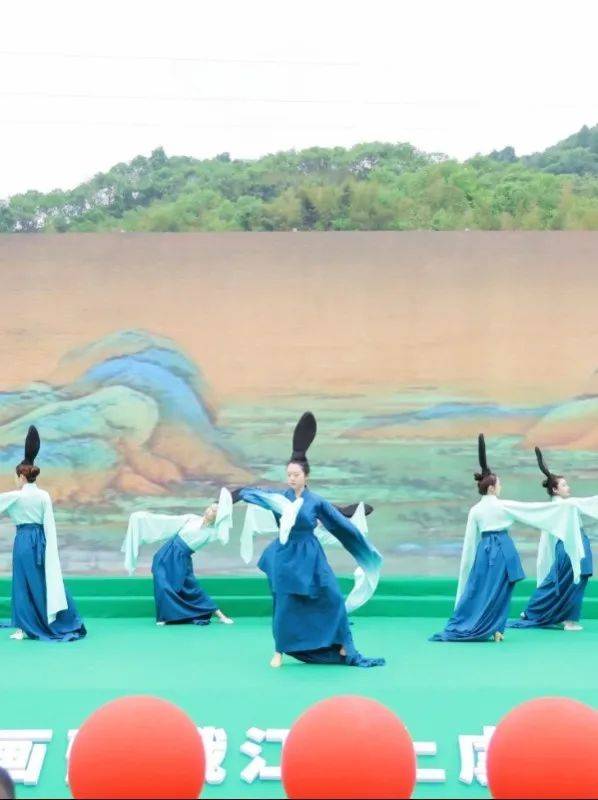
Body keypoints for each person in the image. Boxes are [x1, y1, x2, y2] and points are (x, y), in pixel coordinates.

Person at [233, 412, 385, 668]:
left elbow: (337, 521)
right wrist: (230, 497)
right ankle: (279, 650)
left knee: (332, 596)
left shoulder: (315, 501)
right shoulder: (278, 498)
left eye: (296, 475)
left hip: (310, 555)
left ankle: (342, 643)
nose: (291, 478)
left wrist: (362, 541)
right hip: (285, 556)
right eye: (289, 474)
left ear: (306, 477)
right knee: (284, 603)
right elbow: (253, 494)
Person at [430, 434, 583, 643]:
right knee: (500, 591)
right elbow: (531, 511)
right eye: (499, 484)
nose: (501, 487)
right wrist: (560, 511)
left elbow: (470, 542)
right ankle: (494, 628)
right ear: (491, 487)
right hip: (502, 549)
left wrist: (467, 566)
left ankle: (487, 626)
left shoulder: (475, 510)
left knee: (482, 587)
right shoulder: (502, 506)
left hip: (484, 551)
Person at [0, 426, 86, 642]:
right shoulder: (43, 496)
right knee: (42, 580)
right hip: (41, 540)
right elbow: (49, 523)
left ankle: (25, 626)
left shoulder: (15, 497)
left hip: (24, 541)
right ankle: (51, 619)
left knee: (22, 583)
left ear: (21, 476)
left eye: (16, 476)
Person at [508, 447, 593, 631]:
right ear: (555, 489)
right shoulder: (565, 505)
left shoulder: (561, 506)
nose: (568, 488)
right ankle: (566, 619)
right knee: (569, 582)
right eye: (564, 485)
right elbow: (591, 503)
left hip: (573, 545)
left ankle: (535, 611)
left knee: (560, 582)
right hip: (572, 547)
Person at [122, 489, 234, 626]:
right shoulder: (192, 518)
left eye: (214, 511)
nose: (209, 511)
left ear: (219, 516)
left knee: (192, 588)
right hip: (166, 554)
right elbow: (165, 520)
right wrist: (142, 517)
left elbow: (224, 534)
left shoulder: (214, 533)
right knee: (162, 584)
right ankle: (163, 617)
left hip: (182, 558)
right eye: (210, 508)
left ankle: (221, 616)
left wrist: (230, 502)